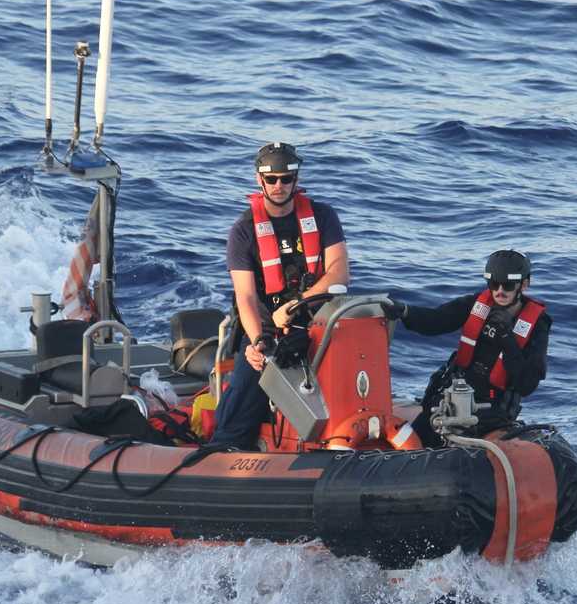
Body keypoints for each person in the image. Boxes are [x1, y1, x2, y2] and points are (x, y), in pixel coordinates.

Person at [208, 142, 350, 449]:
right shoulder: (243, 231)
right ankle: (226, 449)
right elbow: (245, 297)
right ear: (259, 180)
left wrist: (296, 306)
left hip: (316, 325)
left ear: (296, 180)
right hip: (268, 331)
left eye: (286, 179)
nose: (279, 185)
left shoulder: (323, 216)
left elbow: (339, 273)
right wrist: (258, 341)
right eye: (271, 179)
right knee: (243, 397)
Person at [383, 249, 550, 448]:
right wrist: (405, 312)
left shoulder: (537, 325)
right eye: (494, 284)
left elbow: (527, 384)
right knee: (416, 440)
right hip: (454, 397)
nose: (500, 291)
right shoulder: (476, 305)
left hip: (492, 409)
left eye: (508, 285)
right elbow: (437, 320)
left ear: (524, 284)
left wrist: (506, 338)